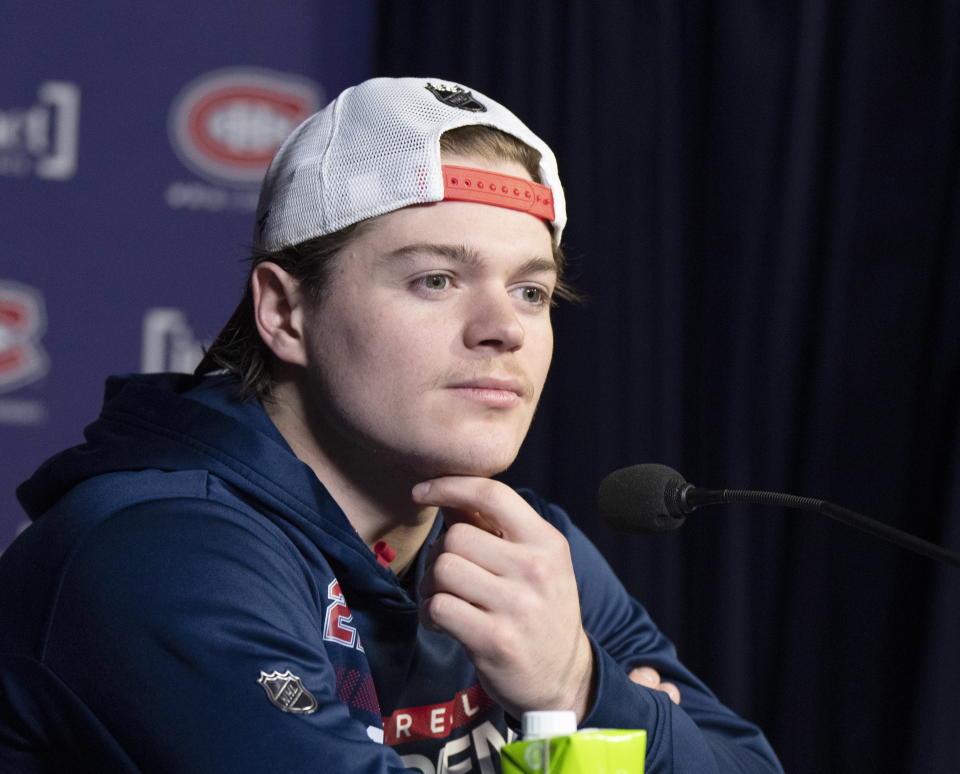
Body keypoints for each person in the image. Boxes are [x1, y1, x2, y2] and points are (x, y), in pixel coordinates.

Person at [0, 77, 781, 772]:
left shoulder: (523, 546)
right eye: (436, 278)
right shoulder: (157, 550)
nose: (503, 329)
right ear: (284, 311)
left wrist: (577, 686)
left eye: (532, 292)